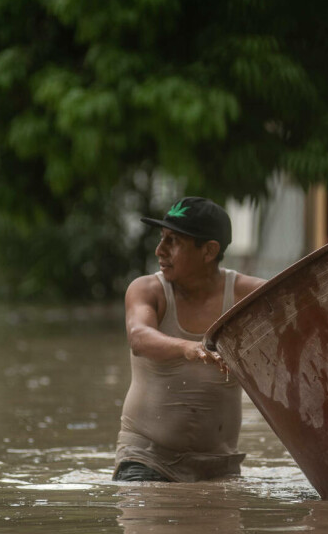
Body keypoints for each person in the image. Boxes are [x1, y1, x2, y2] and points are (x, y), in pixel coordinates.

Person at [113, 197, 266, 482]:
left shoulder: (249, 295)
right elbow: (139, 337)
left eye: (174, 241)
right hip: (146, 459)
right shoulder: (148, 290)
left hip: (220, 468)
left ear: (209, 251)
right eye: (162, 239)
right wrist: (188, 347)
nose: (160, 250)